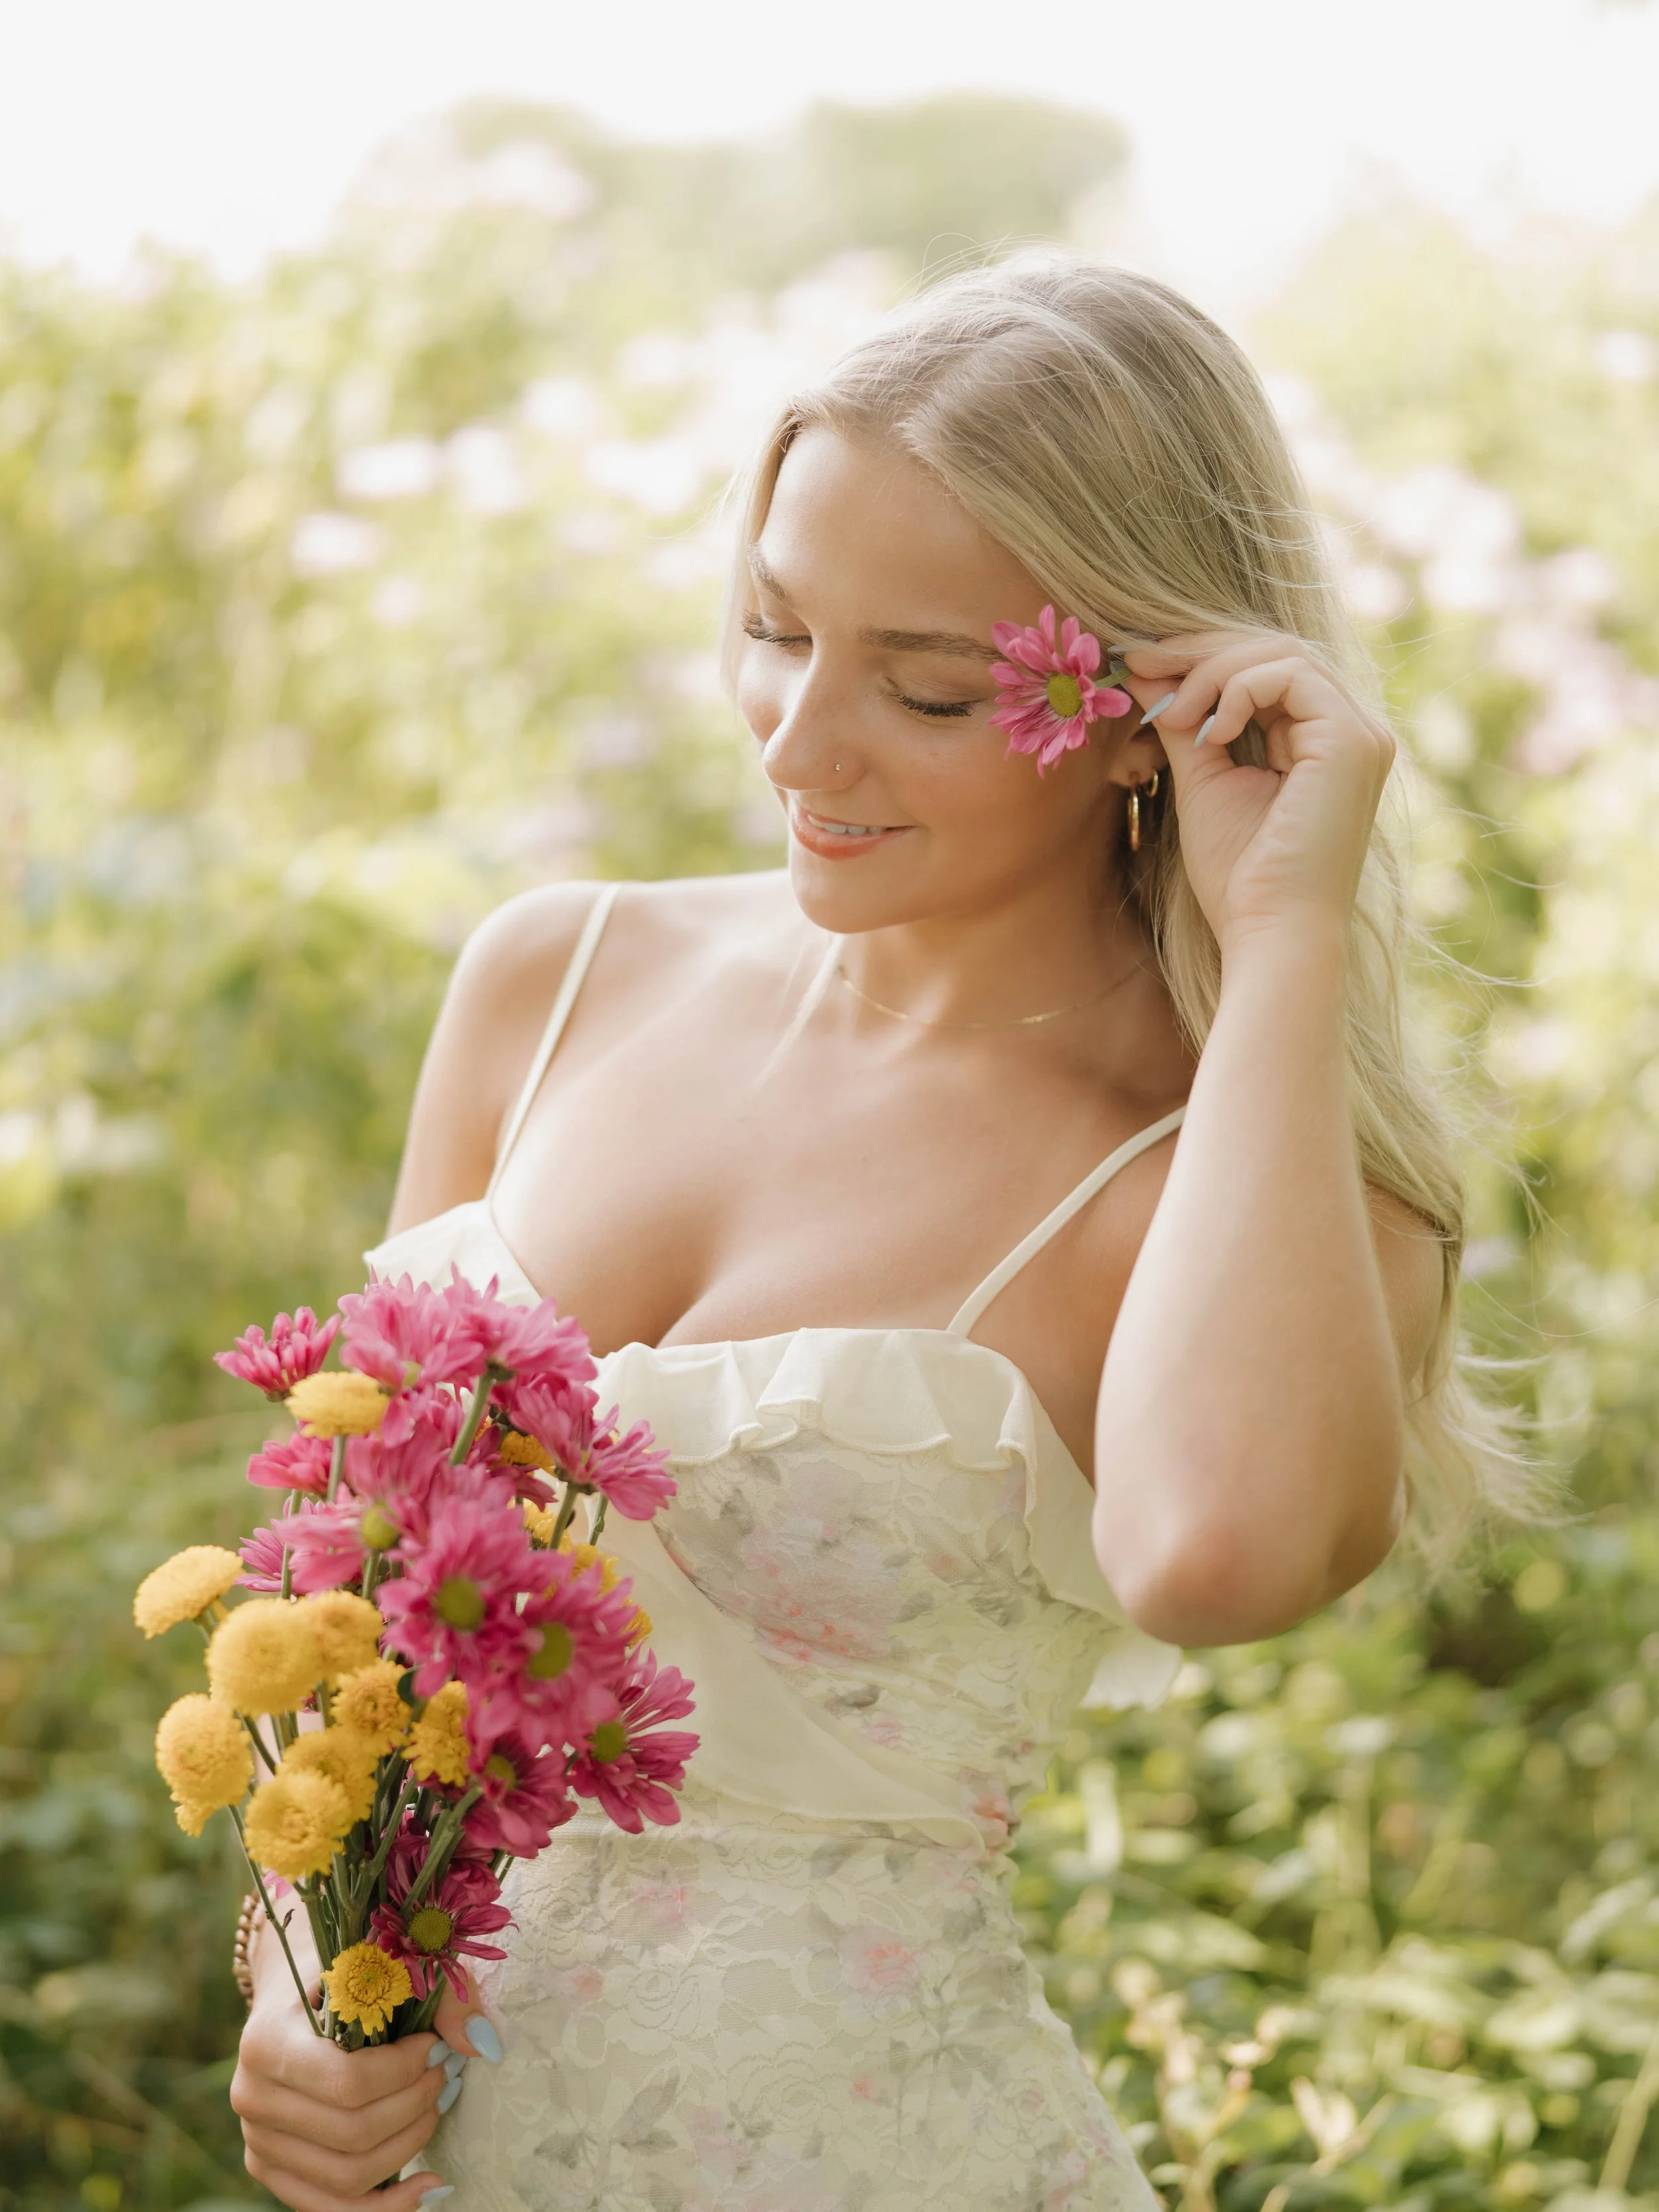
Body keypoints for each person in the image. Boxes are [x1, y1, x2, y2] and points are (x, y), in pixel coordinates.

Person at [229, 252, 1530, 2211]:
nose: (795, 744)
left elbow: (1214, 1554)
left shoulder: (1238, 1184)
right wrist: (293, 1981)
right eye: (773, 630)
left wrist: (1281, 939)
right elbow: (348, 1609)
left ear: (1139, 710)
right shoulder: (555, 977)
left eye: (922, 685)